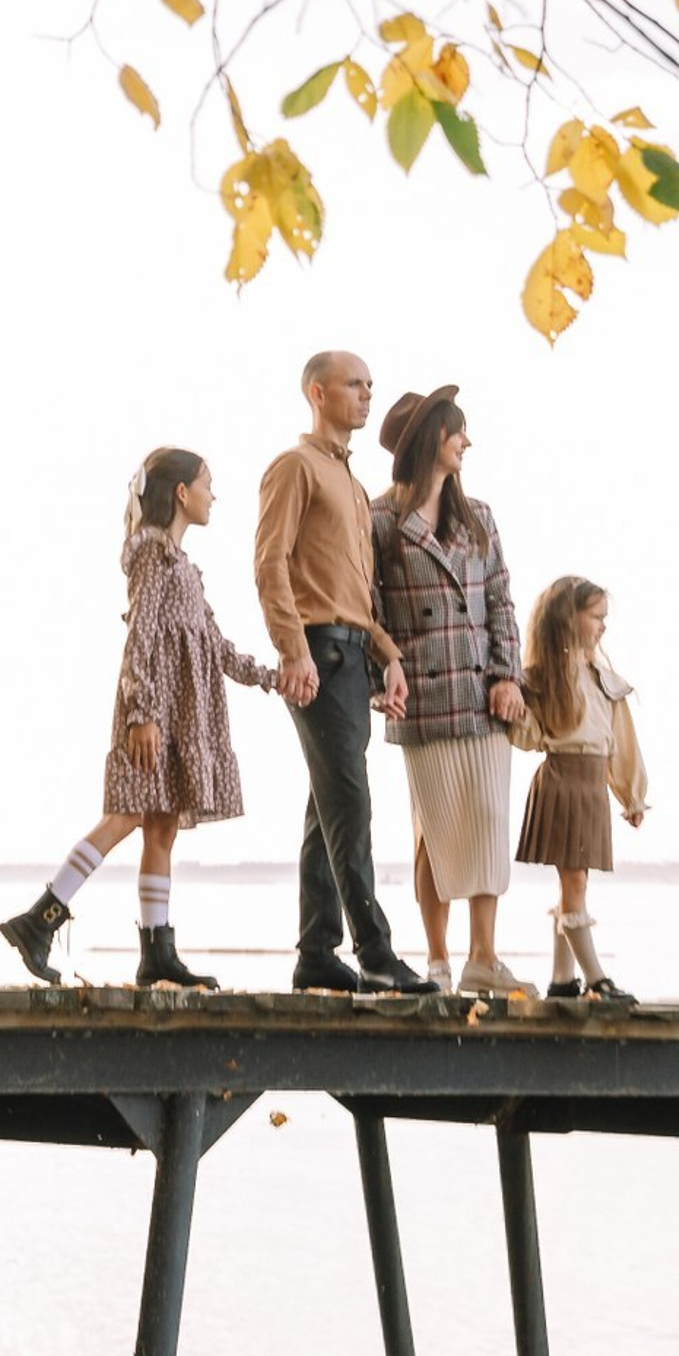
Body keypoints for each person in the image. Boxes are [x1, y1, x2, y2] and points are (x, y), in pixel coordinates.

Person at [0, 448, 277, 988]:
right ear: (181, 493)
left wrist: (274, 677)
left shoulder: (184, 568)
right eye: (207, 485)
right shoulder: (151, 555)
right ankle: (39, 922)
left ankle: (157, 954)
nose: (213, 496)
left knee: (162, 827)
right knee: (126, 816)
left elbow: (217, 648)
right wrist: (142, 713)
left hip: (181, 716)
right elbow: (140, 637)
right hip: (152, 713)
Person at [252, 354, 430, 994]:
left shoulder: (353, 487)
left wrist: (389, 656)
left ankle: (316, 956)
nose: (367, 395)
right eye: (355, 385)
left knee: (326, 808)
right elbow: (271, 564)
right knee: (350, 806)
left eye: (370, 386)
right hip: (318, 656)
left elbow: (357, 595)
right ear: (317, 392)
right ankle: (376, 952)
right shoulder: (294, 468)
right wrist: (292, 647)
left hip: (355, 656)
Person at [371, 385, 527, 996]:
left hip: (483, 694)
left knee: (488, 819)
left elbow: (503, 600)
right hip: (422, 696)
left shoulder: (479, 515)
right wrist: (378, 679)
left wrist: (508, 675)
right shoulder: (380, 520)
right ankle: (436, 960)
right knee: (433, 833)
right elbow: (370, 609)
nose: (467, 440)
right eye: (457, 430)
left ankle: (482, 956)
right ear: (431, 438)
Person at [512, 575, 648, 1001]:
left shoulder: (603, 678)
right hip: (561, 782)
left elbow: (622, 742)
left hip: (591, 788)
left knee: (575, 882)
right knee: (575, 883)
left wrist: (630, 793)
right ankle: (596, 979)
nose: (603, 626)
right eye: (597, 617)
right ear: (569, 619)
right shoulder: (542, 678)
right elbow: (530, 737)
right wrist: (513, 706)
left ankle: (560, 979)